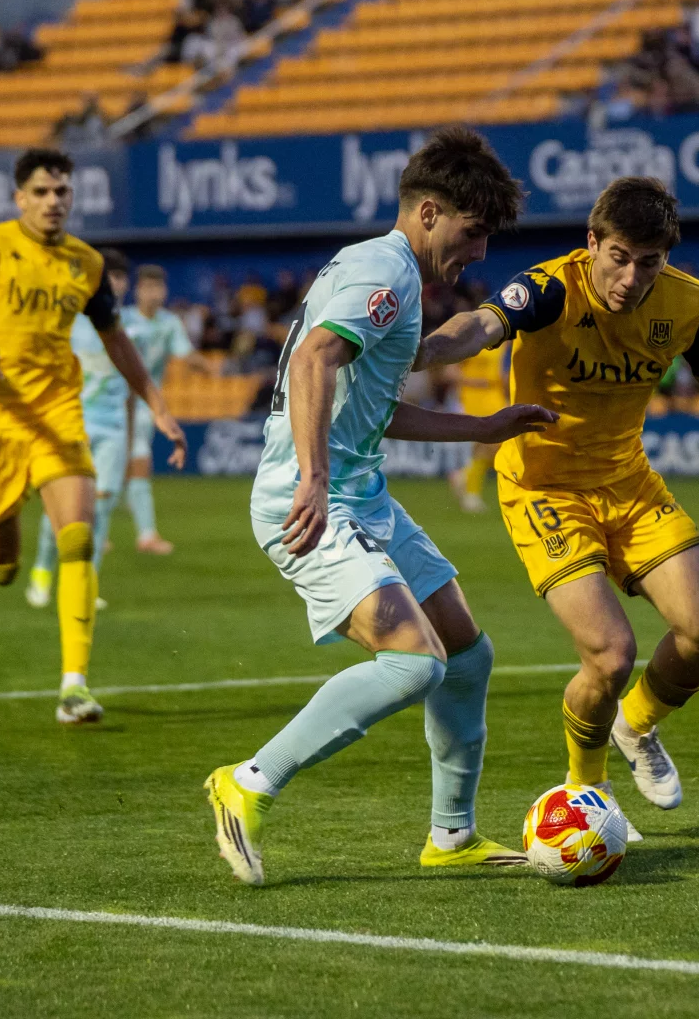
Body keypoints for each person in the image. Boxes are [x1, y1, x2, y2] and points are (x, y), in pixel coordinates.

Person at [202, 127, 550, 886]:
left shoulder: (392, 279)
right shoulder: (383, 270)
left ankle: (452, 836)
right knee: (415, 662)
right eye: (472, 231)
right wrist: (314, 478)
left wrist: (482, 428)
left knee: (466, 653)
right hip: (310, 499)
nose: (480, 251)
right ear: (428, 212)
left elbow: (375, 409)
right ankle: (247, 783)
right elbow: (312, 359)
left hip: (361, 494)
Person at [416, 176, 699, 835]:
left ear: (666, 257)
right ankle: (586, 790)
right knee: (611, 654)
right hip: (544, 490)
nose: (630, 277)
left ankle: (638, 725)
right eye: (619, 257)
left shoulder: (689, 303)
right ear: (593, 241)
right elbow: (480, 326)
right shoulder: (551, 288)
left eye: (648, 262)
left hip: (629, 483)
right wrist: (418, 352)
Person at [0, 148, 187, 725]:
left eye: (61, 191)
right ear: (20, 199)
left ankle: (74, 686)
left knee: (78, 538)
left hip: (58, 413)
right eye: (41, 192)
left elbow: (115, 338)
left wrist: (156, 405)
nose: (53, 201)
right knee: (3, 562)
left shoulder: (86, 264)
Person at [24, 249, 144, 611]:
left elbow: (134, 383)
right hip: (74, 423)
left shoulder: (133, 327)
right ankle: (43, 569)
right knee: (66, 503)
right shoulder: (73, 321)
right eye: (109, 277)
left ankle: (85, 584)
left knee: (102, 507)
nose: (114, 283)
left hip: (114, 427)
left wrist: (130, 432)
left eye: (120, 277)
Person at [119, 263, 211, 553]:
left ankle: (145, 535)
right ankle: (97, 530)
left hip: (144, 405)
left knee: (138, 463)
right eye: (148, 287)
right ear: (137, 290)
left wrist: (210, 366)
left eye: (158, 287)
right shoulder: (120, 319)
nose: (154, 294)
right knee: (109, 468)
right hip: (110, 402)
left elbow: (185, 354)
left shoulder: (169, 323)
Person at [447, 337, 509, 513]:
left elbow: (503, 372)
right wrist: (476, 382)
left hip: (495, 396)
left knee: (497, 445)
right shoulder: (472, 340)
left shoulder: (505, 341)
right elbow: (450, 372)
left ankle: (464, 479)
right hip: (474, 397)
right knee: (489, 443)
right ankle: (470, 492)